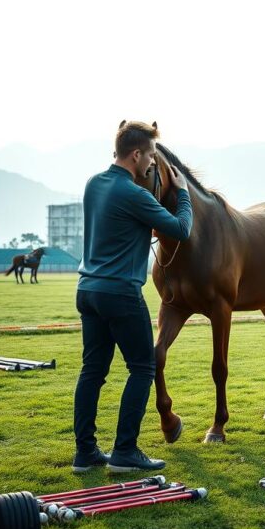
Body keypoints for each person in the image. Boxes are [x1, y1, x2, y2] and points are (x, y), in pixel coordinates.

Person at [72, 121, 193, 474]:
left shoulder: (94, 184)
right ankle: (125, 451)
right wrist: (183, 193)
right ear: (137, 154)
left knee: (92, 370)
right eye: (151, 156)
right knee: (143, 368)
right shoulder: (135, 195)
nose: (153, 164)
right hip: (120, 293)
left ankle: (86, 453)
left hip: (87, 290)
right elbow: (181, 230)